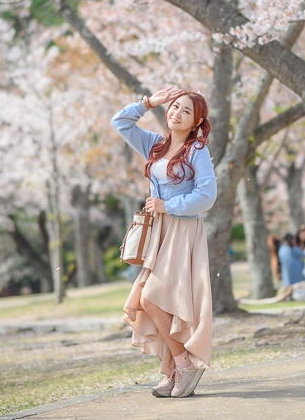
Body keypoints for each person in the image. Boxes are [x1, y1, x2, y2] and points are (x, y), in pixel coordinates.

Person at [113, 86, 216, 399]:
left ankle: (184, 363)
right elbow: (120, 123)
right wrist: (148, 102)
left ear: (196, 121)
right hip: (159, 232)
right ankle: (176, 368)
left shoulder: (196, 150)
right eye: (174, 107)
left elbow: (207, 195)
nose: (177, 113)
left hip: (182, 231)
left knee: (151, 298)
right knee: (156, 299)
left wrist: (168, 205)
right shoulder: (155, 144)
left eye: (186, 111)